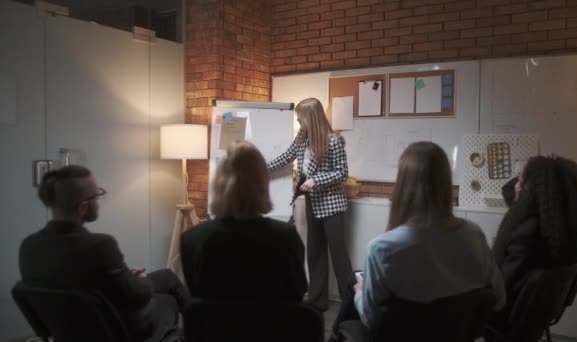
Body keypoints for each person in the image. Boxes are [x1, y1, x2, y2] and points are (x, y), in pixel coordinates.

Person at [329, 142, 505, 340]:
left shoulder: (382, 248)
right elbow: (499, 299)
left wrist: (360, 292)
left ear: (403, 184)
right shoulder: (475, 235)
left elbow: (370, 319)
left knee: (355, 284)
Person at [19, 165, 190, 342]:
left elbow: (76, 282)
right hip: (116, 330)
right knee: (169, 298)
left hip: (69, 329)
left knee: (167, 276)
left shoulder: (28, 246)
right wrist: (139, 280)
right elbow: (135, 299)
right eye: (97, 195)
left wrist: (122, 276)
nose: (99, 201)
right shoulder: (99, 245)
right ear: (84, 206)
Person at [491, 155, 577, 334]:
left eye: (521, 181)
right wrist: (540, 169)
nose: (516, 186)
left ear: (533, 190)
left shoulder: (526, 235)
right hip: (536, 317)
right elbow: (509, 190)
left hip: (504, 317)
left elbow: (503, 290)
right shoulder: (566, 229)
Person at [181, 140, 307, 301]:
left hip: (214, 326)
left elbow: (197, 299)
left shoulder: (192, 240)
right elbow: (297, 293)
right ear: (262, 184)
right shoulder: (287, 238)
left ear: (218, 183)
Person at [268, 97, 353, 312]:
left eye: (300, 118)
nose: (298, 122)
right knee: (315, 253)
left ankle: (350, 304)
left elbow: (342, 173)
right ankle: (317, 301)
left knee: (339, 256)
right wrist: (261, 166)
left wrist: (316, 180)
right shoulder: (302, 138)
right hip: (313, 203)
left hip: (332, 206)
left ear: (311, 117)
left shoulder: (334, 140)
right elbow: (287, 156)